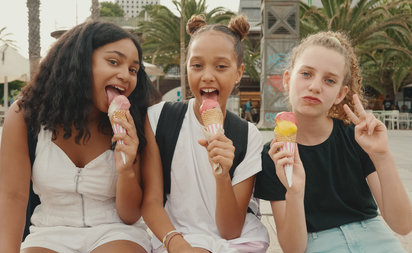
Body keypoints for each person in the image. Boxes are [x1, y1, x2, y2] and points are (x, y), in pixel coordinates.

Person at [0, 21, 161, 252]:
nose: (125, 75)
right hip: (48, 233)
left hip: (115, 231)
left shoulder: (135, 120)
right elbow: (12, 197)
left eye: (133, 69)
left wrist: (127, 168)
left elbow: (130, 215)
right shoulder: (25, 116)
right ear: (80, 62)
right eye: (113, 62)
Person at [254, 31, 412, 252]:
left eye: (329, 80)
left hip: (374, 236)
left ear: (340, 93)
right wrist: (294, 191)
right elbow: (293, 249)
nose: (315, 86)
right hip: (315, 243)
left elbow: (403, 225)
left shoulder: (355, 138)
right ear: (288, 80)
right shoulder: (274, 155)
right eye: (307, 74)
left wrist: (382, 156)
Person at [141, 15, 269, 253]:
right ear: (186, 67)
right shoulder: (158, 119)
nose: (208, 76)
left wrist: (222, 174)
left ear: (239, 73)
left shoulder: (247, 134)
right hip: (175, 236)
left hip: (236, 242)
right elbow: (150, 202)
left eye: (221, 66)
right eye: (197, 65)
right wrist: (178, 244)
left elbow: (230, 230)